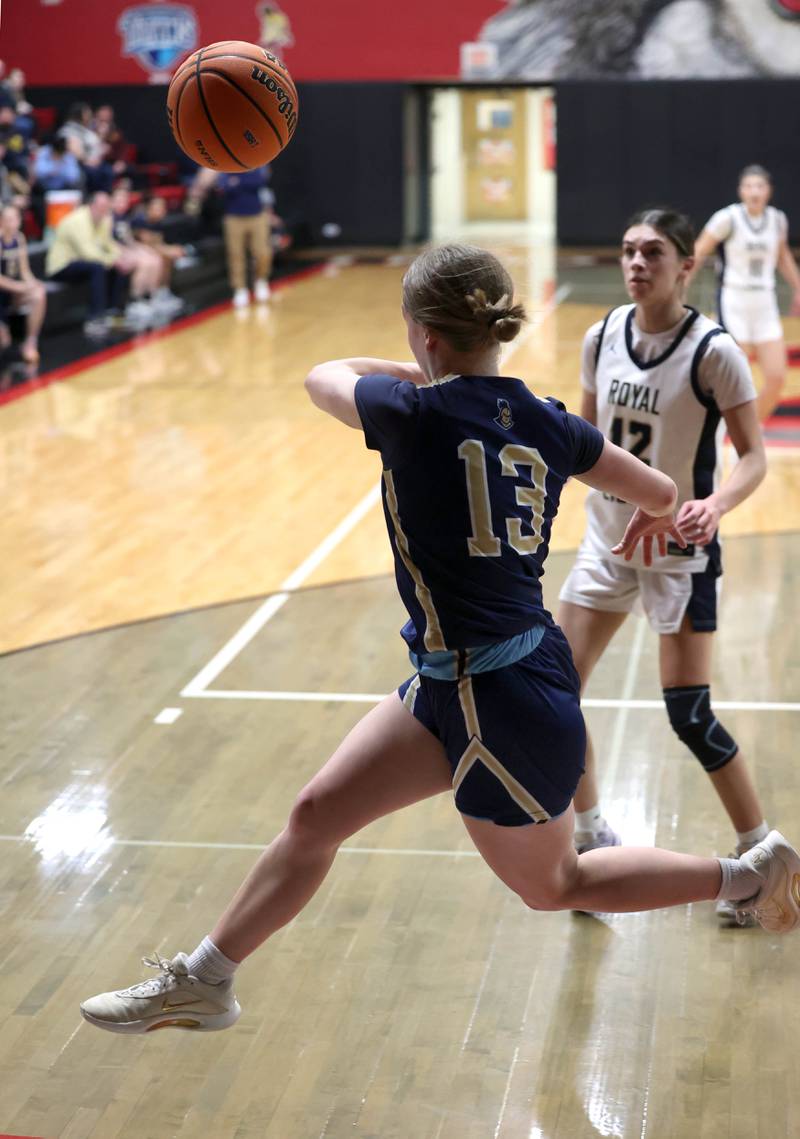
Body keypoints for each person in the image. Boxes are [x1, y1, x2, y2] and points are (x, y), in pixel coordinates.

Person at [79, 242, 800, 1036]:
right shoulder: (551, 422)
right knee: (317, 812)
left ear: (424, 332)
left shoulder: (411, 412)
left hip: (503, 695)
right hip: (455, 679)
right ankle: (206, 979)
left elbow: (324, 373)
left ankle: (745, 875)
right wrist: (648, 515)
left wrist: (427, 369)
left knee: (555, 883)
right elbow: (664, 489)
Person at [557, 208, 770, 926]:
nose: (636, 262)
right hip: (611, 543)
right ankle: (592, 837)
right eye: (627, 251)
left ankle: (763, 856)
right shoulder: (601, 336)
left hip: (681, 553)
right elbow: (585, 443)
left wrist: (710, 505)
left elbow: (755, 456)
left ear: (687, 265)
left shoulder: (713, 350)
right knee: (557, 691)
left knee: (689, 713)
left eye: (653, 251)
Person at [690, 165, 800, 422]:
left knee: (776, 376)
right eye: (749, 186)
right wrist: (679, 285)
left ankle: (752, 429)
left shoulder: (777, 219)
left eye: (760, 186)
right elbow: (698, 251)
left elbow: (782, 256)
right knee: (732, 375)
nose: (754, 191)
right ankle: (712, 425)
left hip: (765, 302)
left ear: (769, 191)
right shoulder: (727, 218)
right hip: (734, 300)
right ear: (741, 190)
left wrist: (798, 286)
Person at [45, 190, 131, 338]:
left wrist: (119, 257)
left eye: (107, 207)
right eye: (101, 206)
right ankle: (94, 319)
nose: (105, 210)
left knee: (115, 266)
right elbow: (87, 252)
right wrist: (113, 260)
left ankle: (113, 311)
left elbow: (108, 243)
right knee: (98, 268)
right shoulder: (77, 220)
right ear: (91, 205)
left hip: (82, 263)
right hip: (61, 266)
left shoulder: (105, 218)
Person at [111, 185, 183, 322]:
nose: (123, 202)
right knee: (146, 261)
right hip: (116, 252)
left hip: (128, 248)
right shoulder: (112, 217)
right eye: (119, 199)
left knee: (155, 259)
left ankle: (152, 297)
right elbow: (109, 242)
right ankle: (135, 301)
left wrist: (139, 249)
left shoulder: (124, 217)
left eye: (125, 199)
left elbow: (129, 240)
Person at [217, 167, 273, 307]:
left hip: (257, 215)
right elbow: (223, 187)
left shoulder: (255, 164)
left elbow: (260, 181)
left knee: (263, 252)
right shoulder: (225, 167)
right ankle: (240, 289)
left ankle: (261, 280)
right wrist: (239, 183)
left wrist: (237, 182)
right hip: (233, 217)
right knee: (236, 255)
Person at [0, 202, 46, 363]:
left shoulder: (19, 238)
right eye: (9, 219)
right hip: (3, 292)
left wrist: (32, 283)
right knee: (4, 342)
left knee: (38, 294)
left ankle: (30, 342)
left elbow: (24, 270)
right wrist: (19, 286)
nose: (13, 222)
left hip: (13, 292)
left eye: (16, 218)